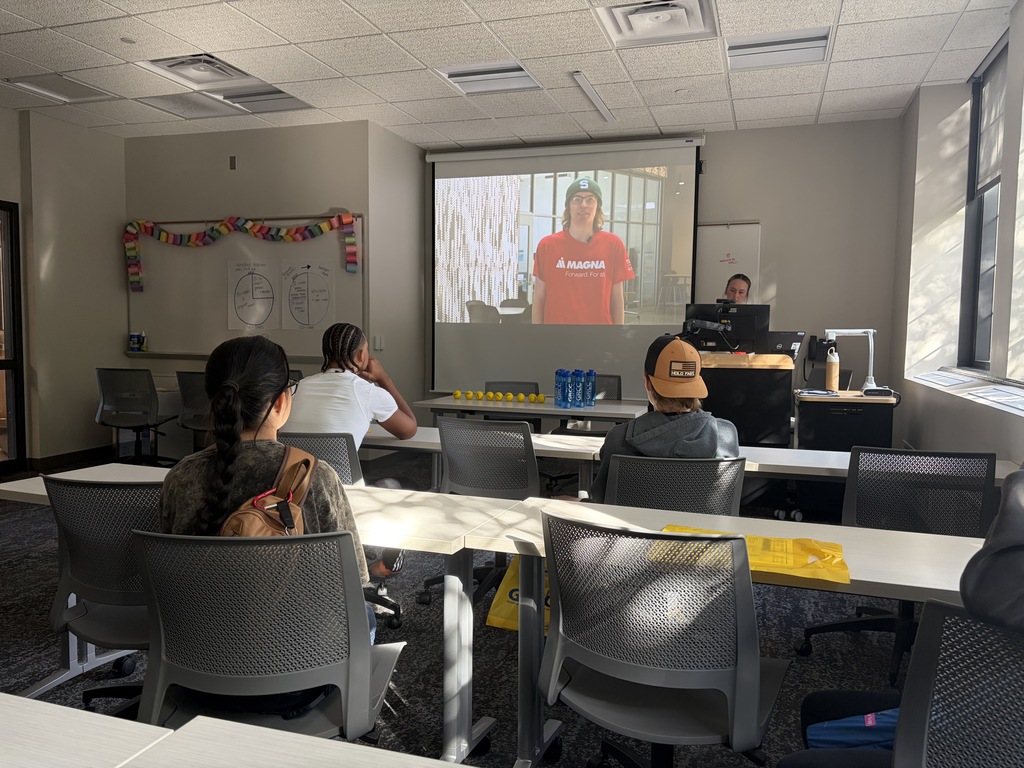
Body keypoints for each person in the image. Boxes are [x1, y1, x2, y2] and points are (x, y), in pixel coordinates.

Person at [159, 335, 374, 634]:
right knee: (366, 614)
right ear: (282, 401)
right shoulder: (317, 475)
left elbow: (170, 575)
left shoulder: (180, 476)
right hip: (303, 659)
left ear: (215, 400)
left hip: (200, 649)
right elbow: (352, 580)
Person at [588, 335, 739, 503]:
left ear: (647, 383)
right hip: (700, 529)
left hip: (632, 528)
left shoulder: (619, 438)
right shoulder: (724, 435)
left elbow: (600, 501)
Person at [285, 323, 417, 448]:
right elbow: (408, 430)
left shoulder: (294, 389)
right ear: (361, 355)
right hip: (336, 473)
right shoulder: (368, 393)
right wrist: (383, 378)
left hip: (295, 471)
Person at [532, 177, 635, 325]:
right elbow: (539, 298)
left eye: (590, 199)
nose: (583, 205)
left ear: (597, 205)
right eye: (577, 199)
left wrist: (617, 338)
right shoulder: (547, 246)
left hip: (599, 337)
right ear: (568, 205)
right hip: (556, 337)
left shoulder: (613, 245)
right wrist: (537, 338)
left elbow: (617, 299)